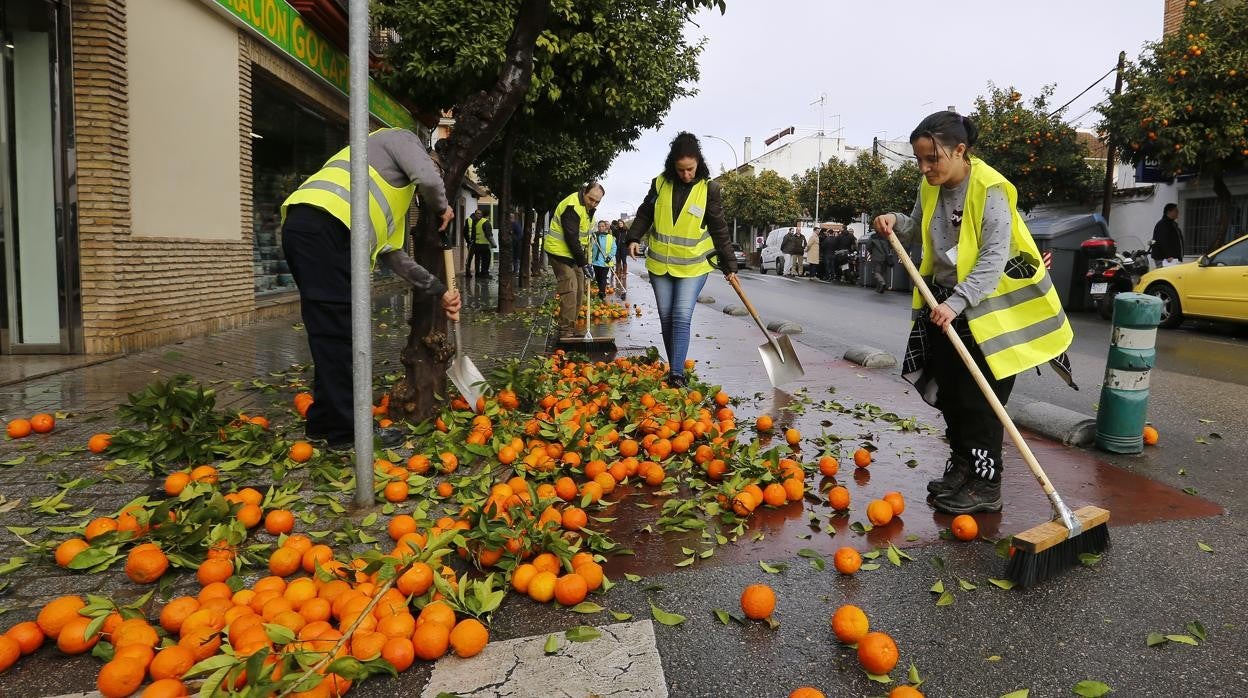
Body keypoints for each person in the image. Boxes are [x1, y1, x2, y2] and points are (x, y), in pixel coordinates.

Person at [872, 111, 1074, 515]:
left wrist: (956, 302)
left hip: (989, 310)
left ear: (960, 150)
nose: (926, 168)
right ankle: (962, 469)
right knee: (952, 395)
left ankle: (987, 482)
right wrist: (897, 221)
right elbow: (920, 226)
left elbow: (993, 257)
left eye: (933, 159)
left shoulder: (990, 188)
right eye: (920, 160)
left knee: (981, 402)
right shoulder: (930, 186)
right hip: (946, 304)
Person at [281, 127, 462, 449]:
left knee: (330, 334)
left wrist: (439, 290)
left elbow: (395, 258)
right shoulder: (401, 138)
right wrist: (442, 207)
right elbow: (430, 180)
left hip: (311, 231)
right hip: (326, 227)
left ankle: (324, 423)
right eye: (434, 166)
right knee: (339, 336)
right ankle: (349, 433)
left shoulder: (397, 200)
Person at [626, 132, 739, 388]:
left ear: (698, 162)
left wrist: (730, 265)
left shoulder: (709, 189)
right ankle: (675, 366)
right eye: (681, 170)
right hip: (660, 266)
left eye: (690, 169)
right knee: (667, 318)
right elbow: (645, 213)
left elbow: (720, 228)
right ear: (672, 166)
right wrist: (633, 237)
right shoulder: (660, 184)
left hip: (692, 266)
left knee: (680, 316)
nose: (686, 175)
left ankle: (676, 373)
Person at [545, 182, 603, 336]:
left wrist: (586, 261)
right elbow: (571, 238)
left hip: (574, 255)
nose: (593, 203)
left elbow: (585, 237)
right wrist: (584, 264)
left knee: (579, 291)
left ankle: (571, 325)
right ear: (584, 192)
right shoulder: (572, 207)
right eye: (591, 199)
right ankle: (565, 330)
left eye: (597, 201)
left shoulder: (587, 209)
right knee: (570, 289)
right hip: (560, 253)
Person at [1150, 203, 1184, 268]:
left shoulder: (1173, 224)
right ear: (1169, 212)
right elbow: (1163, 240)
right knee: (1165, 276)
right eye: (1176, 211)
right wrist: (1168, 256)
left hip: (1173, 258)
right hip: (1165, 259)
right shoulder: (1162, 224)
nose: (1178, 212)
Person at [590, 221, 617, 298]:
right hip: (596, 261)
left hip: (605, 262)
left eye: (602, 226)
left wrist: (610, 256)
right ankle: (600, 290)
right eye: (599, 226)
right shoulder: (594, 236)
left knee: (603, 277)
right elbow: (590, 247)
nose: (600, 228)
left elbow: (614, 248)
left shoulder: (610, 237)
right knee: (598, 278)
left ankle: (602, 292)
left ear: (605, 227)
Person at [866, 228, 895, 293]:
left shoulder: (873, 237)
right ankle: (879, 288)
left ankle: (882, 283)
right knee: (883, 272)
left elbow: (868, 246)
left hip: (876, 257)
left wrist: (872, 252)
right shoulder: (886, 236)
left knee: (876, 272)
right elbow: (891, 246)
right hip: (885, 257)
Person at [472, 207, 494, 278]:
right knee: (486, 259)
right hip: (484, 244)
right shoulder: (486, 222)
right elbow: (489, 235)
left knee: (478, 259)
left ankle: (478, 273)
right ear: (488, 215)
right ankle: (485, 274)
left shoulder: (479, 222)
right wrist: (493, 244)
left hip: (477, 244)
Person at [612, 219, 630, 299]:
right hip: (617, 248)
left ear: (623, 223)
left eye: (621, 223)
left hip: (624, 247)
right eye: (619, 223)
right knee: (618, 261)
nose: (620, 224)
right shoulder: (617, 231)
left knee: (624, 261)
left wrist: (626, 243)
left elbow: (629, 239)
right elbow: (613, 233)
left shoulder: (626, 231)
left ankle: (624, 274)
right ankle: (618, 273)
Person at [463, 210, 478, 278]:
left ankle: (468, 273)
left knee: (469, 258)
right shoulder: (472, 220)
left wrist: (468, 241)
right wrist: (469, 241)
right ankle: (474, 273)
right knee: (474, 258)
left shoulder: (468, 220)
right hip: (474, 242)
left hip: (471, 242)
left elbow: (465, 232)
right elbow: (465, 232)